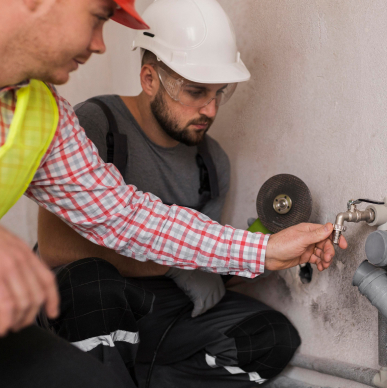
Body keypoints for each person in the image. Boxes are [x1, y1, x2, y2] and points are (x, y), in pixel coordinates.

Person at [0, 0, 345, 386]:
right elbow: (59, 246)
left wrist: (262, 249)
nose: (101, 44)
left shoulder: (42, 113)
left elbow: (123, 216)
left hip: (156, 306)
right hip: (88, 296)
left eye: (219, 94)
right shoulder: (97, 121)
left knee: (269, 334)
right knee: (93, 289)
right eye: (98, 19)